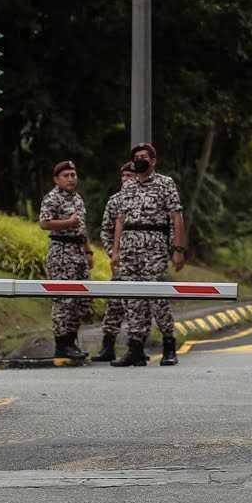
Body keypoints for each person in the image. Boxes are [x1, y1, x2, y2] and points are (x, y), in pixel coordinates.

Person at [111, 142, 185, 367]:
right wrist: (116, 251)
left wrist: (179, 249)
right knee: (132, 300)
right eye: (136, 157)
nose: (140, 160)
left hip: (154, 248)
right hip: (130, 249)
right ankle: (135, 348)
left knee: (157, 298)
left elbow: (176, 217)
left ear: (153, 161)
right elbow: (120, 220)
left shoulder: (165, 184)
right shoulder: (128, 188)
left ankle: (169, 345)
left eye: (144, 156)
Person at [38, 160, 93, 360]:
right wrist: (67, 223)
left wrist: (88, 252)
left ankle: (71, 340)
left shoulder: (77, 199)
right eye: (66, 176)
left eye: (73, 175)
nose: (71, 179)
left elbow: (82, 227)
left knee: (83, 299)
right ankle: (62, 344)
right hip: (61, 251)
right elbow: (44, 223)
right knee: (64, 300)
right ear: (57, 179)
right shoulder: (52, 198)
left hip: (78, 251)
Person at [93, 161, 137, 363]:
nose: (127, 180)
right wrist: (113, 253)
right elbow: (106, 230)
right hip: (120, 260)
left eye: (131, 176)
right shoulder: (115, 201)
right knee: (115, 304)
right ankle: (107, 346)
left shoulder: (143, 199)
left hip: (141, 260)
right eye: (124, 176)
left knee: (140, 304)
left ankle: (137, 346)